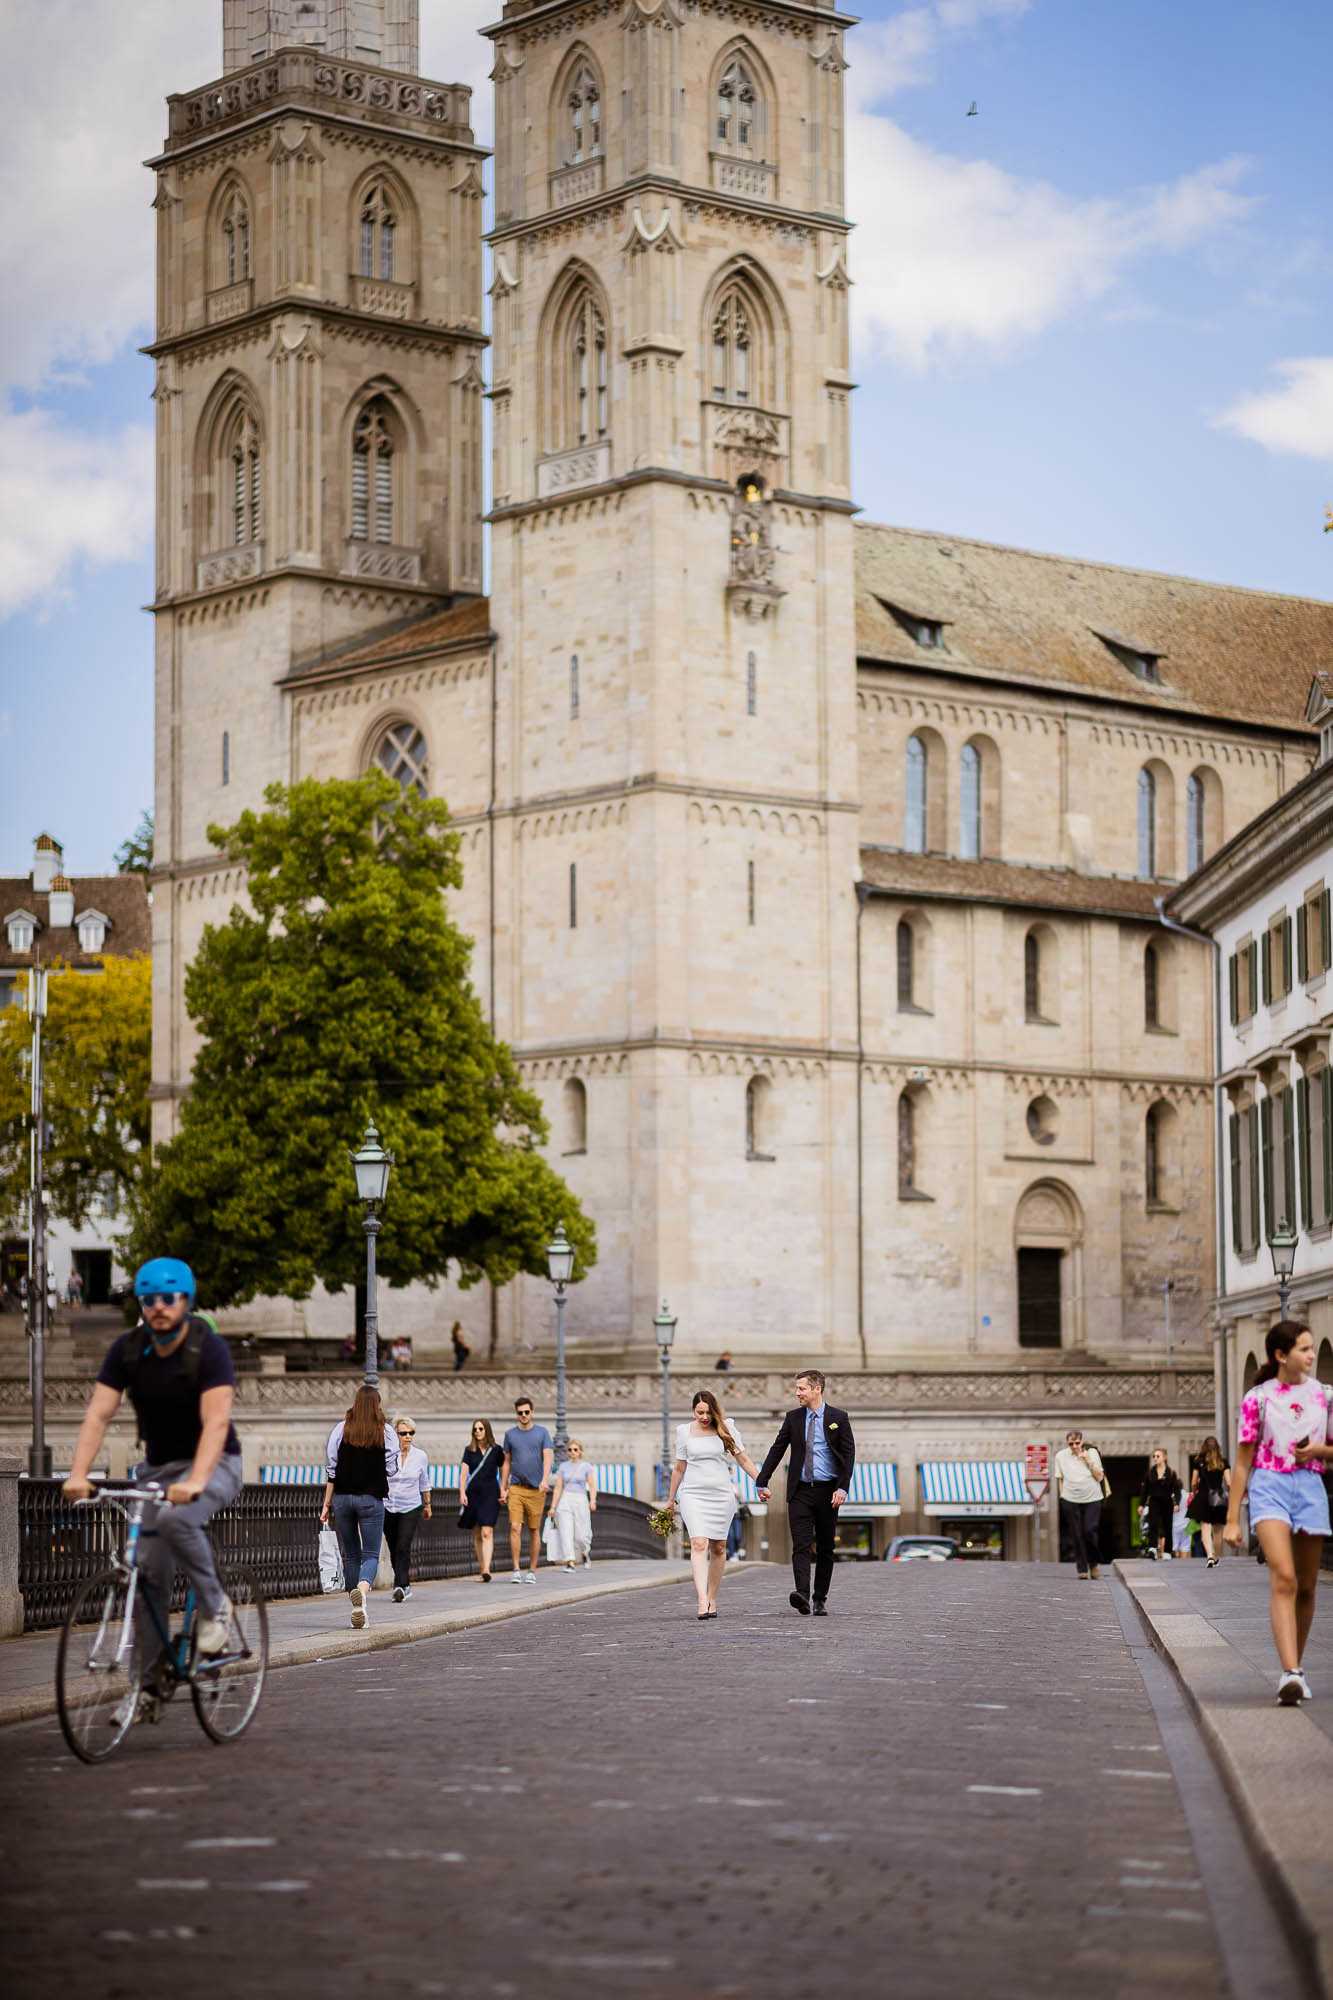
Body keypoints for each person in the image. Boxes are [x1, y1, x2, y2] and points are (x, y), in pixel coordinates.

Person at [62, 1257, 244, 1722]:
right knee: (145, 1576)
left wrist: (198, 1481)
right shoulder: (127, 1350)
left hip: (216, 1461)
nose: (159, 1308)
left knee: (176, 1517)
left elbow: (216, 1422)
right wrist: (78, 1473)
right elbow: (99, 1415)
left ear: (186, 1301)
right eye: (149, 1300)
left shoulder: (209, 1349)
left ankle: (214, 1606)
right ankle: (146, 1686)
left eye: (168, 1298)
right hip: (158, 1470)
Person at [1224, 1321, 1331, 1704]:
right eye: (1304, 1349)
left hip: (1311, 1488)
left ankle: (1295, 1670)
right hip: (1269, 1485)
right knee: (1283, 1576)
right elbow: (1242, 1463)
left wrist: (1318, 1451)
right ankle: (1290, 1671)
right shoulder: (1259, 1398)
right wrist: (1233, 1518)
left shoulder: (1325, 1397)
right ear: (1281, 1355)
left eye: (1312, 1348)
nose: (1311, 1355)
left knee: (1306, 1585)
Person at [756, 1369, 856, 1616]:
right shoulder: (793, 1418)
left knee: (824, 1548)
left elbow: (848, 1455)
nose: (797, 1393)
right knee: (800, 1545)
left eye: (801, 1388)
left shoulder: (838, 1418)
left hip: (827, 1492)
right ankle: (802, 1594)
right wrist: (762, 1480)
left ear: (816, 1389)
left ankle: (819, 1598)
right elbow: (777, 1449)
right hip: (800, 1491)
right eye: (797, 1388)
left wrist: (843, 1487)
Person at [666, 1388, 763, 1619]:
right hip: (693, 1493)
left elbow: (743, 1459)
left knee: (718, 1548)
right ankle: (701, 1599)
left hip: (721, 1494)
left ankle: (712, 1597)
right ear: (693, 1411)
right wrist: (671, 1500)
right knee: (699, 1543)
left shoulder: (725, 1428)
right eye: (700, 1412)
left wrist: (761, 1482)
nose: (704, 1417)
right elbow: (679, 1468)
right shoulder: (684, 1432)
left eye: (708, 1412)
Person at [320, 1386, 398, 1629]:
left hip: (342, 1497)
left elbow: (331, 1466)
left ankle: (357, 1607)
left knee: (352, 1554)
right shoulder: (385, 1431)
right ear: (377, 1405)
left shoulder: (341, 1429)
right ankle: (362, 1590)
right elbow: (392, 1466)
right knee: (371, 1554)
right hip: (370, 1497)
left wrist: (326, 1503)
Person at [501, 1397, 553, 1583]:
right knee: (515, 1527)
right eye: (520, 1413)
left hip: (536, 1489)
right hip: (516, 1487)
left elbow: (547, 1458)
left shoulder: (542, 1433)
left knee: (534, 1530)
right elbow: (506, 1462)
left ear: (532, 1412)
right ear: (517, 1414)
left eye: (526, 1412)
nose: (523, 1415)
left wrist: (545, 1480)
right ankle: (516, 1569)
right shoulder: (510, 1435)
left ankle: (532, 1570)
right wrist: (503, 1487)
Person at [385, 1415, 431, 1602]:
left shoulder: (420, 1456)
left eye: (411, 1433)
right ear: (396, 1435)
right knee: (393, 1546)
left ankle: (399, 1585)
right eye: (403, 1433)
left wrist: (427, 1505)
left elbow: (424, 1482)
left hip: (411, 1506)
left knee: (403, 1546)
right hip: (388, 1506)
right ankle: (405, 1585)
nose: (408, 1437)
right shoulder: (387, 1455)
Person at [1054, 1427, 1106, 1580]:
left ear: (1081, 1442)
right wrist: (1062, 1497)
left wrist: (1087, 1460)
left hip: (1092, 1498)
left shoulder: (1092, 1453)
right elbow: (1060, 1478)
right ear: (1067, 1444)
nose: (1074, 1447)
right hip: (1070, 1499)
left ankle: (1094, 1563)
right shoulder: (1061, 1456)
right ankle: (1081, 1568)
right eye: (1071, 1444)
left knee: (1089, 1530)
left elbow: (1100, 1478)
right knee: (1076, 1534)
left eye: (1077, 1443)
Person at [460, 1418, 503, 1581]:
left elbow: (503, 1468)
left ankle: (486, 1570)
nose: (477, 1432)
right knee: (477, 1533)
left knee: (487, 1531)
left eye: (480, 1429)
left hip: (491, 1493)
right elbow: (463, 1473)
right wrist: (462, 1493)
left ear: (487, 1430)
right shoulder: (469, 1450)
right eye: (475, 1429)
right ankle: (482, 1568)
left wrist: (504, 1488)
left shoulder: (496, 1450)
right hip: (474, 1493)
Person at [547, 1439, 597, 1569]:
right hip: (566, 1498)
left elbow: (592, 1486)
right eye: (570, 1450)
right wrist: (553, 1507)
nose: (572, 1452)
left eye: (575, 1449)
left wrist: (592, 1500)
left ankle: (585, 1551)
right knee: (565, 1530)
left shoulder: (586, 1466)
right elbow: (558, 1487)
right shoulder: (563, 1466)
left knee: (581, 1533)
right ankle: (570, 1561)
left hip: (580, 1498)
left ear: (580, 1451)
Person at [1188, 1435, 1232, 1566]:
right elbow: (1229, 1482)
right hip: (1218, 1498)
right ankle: (1216, 1556)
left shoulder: (1198, 1461)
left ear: (1204, 1447)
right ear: (1217, 1448)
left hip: (1202, 1497)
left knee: (1205, 1528)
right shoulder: (1223, 1462)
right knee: (1218, 1530)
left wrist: (1193, 1491)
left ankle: (1209, 1556)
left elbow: (1193, 1481)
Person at [1140, 1447, 1181, 1560]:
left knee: (1167, 1525)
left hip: (1167, 1501)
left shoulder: (1171, 1472)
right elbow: (1145, 1490)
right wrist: (1141, 1504)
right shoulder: (1150, 1472)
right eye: (1154, 1456)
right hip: (1154, 1501)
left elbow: (1176, 1490)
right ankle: (1153, 1548)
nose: (1155, 1458)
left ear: (1164, 1457)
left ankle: (1167, 1550)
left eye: (1158, 1456)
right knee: (1153, 1524)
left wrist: (1176, 1503)